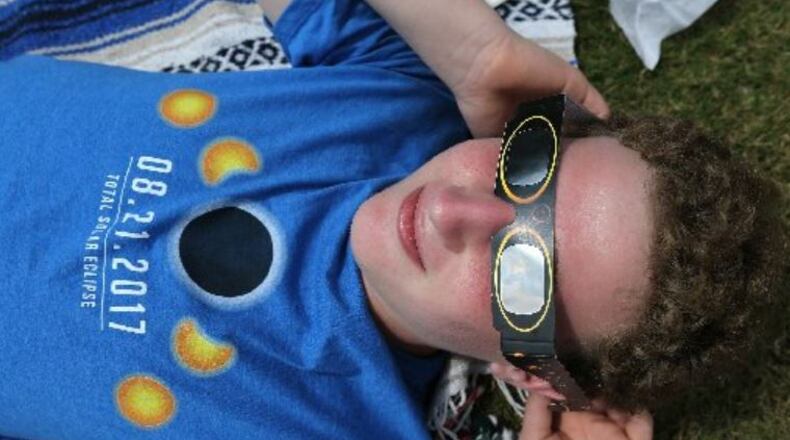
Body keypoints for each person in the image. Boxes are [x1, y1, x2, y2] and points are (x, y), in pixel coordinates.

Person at [0, 1, 784, 440]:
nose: (450, 209)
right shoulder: (403, 101)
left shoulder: (334, 425)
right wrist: (470, 48)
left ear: (527, 370)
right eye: (528, 168)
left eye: (522, 276)